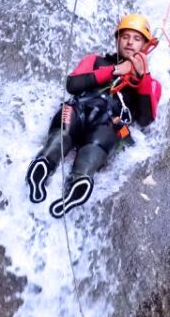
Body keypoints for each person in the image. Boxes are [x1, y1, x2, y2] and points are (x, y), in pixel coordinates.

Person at [27, 13, 162, 218]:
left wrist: (142, 77)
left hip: (108, 124)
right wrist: (116, 70)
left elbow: (145, 120)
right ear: (117, 39)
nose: (130, 42)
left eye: (136, 39)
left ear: (145, 45)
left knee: (96, 146)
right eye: (125, 37)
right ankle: (44, 165)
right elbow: (72, 85)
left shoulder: (150, 83)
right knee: (63, 134)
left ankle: (79, 182)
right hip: (78, 110)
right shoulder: (95, 61)